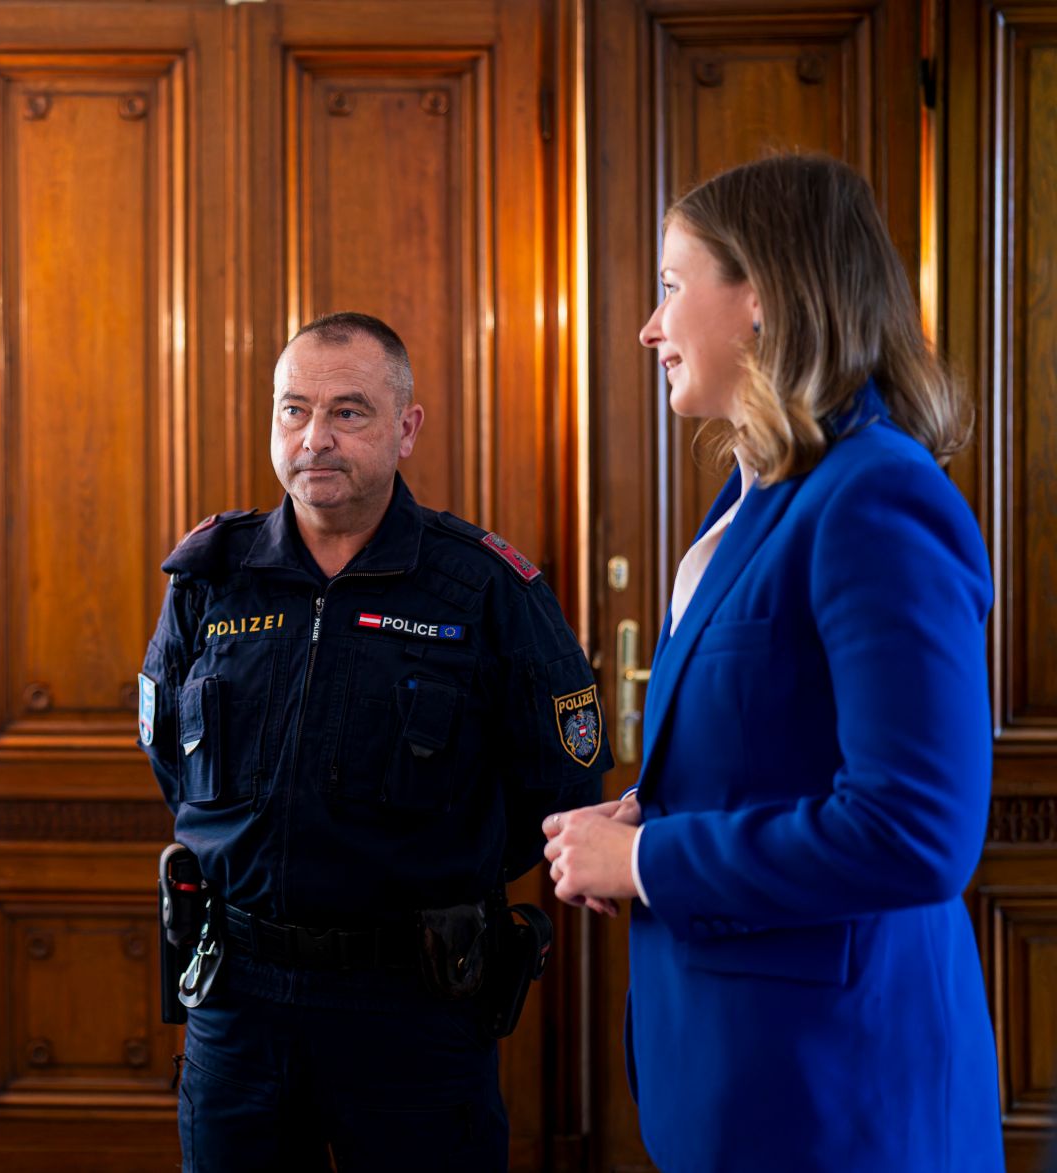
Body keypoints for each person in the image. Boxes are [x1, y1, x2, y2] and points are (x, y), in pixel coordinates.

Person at [542, 154, 1003, 1172]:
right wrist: (647, 820)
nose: (647, 328)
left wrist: (646, 863)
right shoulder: (753, 495)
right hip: (739, 1083)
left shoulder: (875, 495)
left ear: (760, 296)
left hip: (840, 1102)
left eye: (669, 287)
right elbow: (771, 750)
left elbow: (913, 832)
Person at [139, 312, 609, 1171]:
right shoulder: (213, 576)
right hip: (238, 998)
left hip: (413, 1005)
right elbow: (172, 754)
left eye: (348, 412)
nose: (314, 438)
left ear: (407, 426)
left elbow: (562, 784)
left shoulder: (482, 588)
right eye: (294, 410)